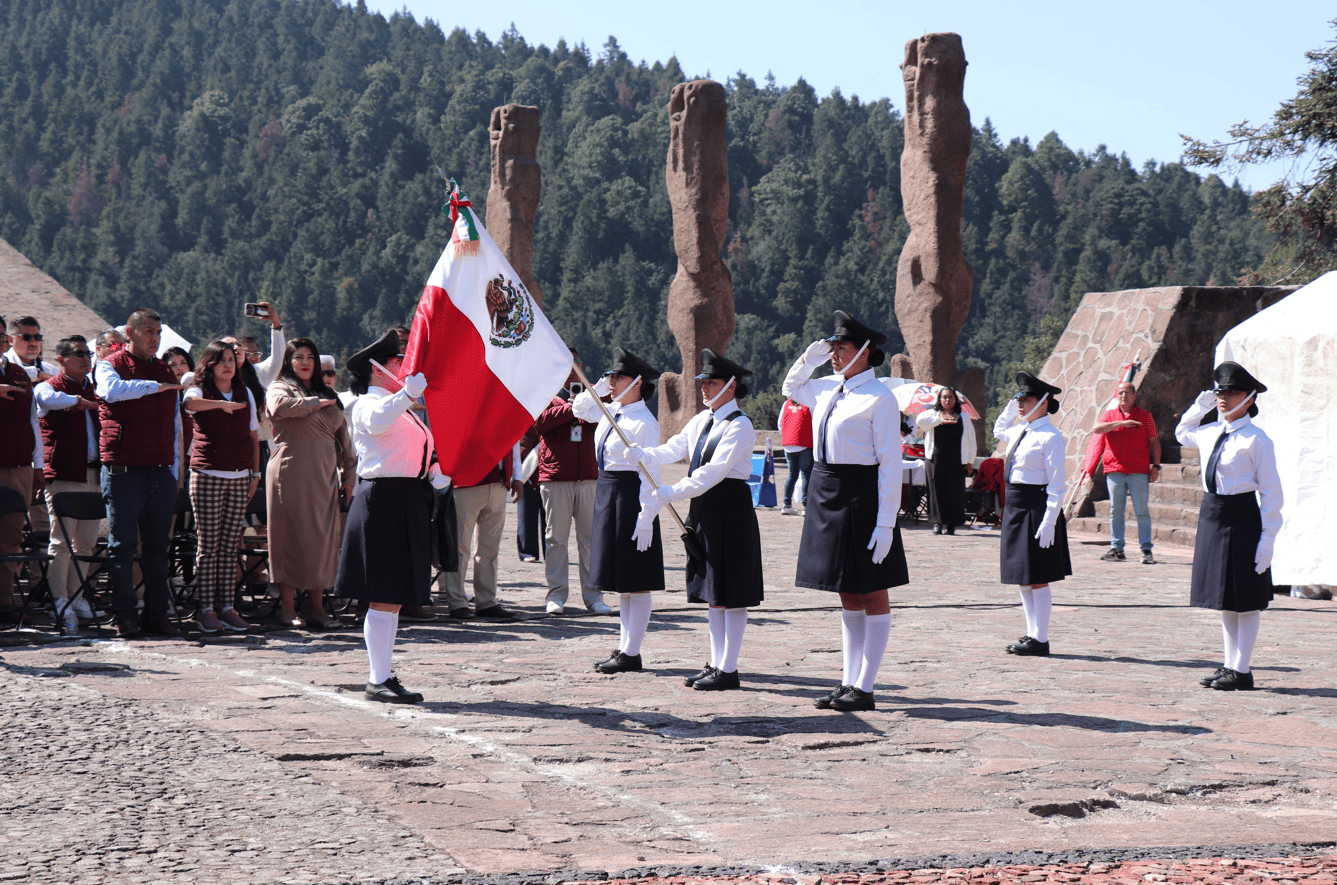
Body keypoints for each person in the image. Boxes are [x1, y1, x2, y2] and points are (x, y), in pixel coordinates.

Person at [783, 311, 908, 712]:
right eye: (833, 348)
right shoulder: (824, 388)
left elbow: (890, 463)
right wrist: (810, 357)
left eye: (842, 348)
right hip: (825, 489)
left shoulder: (880, 398)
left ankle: (865, 687)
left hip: (861, 494)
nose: (835, 354)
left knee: (870, 588)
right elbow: (791, 386)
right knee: (844, 589)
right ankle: (848, 681)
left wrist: (886, 520)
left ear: (865, 353)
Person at [636, 349, 764, 691]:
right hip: (705, 508)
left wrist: (671, 491)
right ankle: (716, 662)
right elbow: (676, 448)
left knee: (731, 589)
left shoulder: (741, 425)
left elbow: (713, 471)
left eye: (712, 382)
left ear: (731, 386)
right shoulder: (702, 420)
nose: (705, 388)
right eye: (703, 383)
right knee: (712, 590)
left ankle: (729, 668)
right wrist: (645, 453)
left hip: (730, 508)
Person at [335, 330, 447, 704]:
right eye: (398, 362)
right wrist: (408, 394)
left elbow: (412, 447)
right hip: (382, 500)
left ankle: (382, 675)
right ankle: (377, 677)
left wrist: (431, 470)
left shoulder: (402, 405)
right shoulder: (368, 403)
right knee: (384, 591)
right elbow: (379, 422)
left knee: (395, 594)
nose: (404, 366)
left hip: (407, 497)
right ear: (377, 370)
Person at [1175, 362, 1283, 692]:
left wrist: (1268, 540)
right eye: (1220, 392)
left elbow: (1272, 493)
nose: (1223, 397)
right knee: (1225, 597)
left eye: (1231, 392)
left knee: (1245, 597)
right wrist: (1199, 407)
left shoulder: (1257, 440)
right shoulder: (1210, 432)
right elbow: (1182, 434)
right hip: (1213, 515)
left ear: (1249, 398)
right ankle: (1229, 664)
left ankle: (1243, 669)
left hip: (1241, 517)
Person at [94, 308, 188, 638]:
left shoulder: (165, 370)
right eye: (148, 331)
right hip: (124, 472)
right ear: (130, 334)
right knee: (122, 546)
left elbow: (176, 424)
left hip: (161, 472)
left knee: (158, 548)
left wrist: (175, 471)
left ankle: (157, 614)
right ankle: (124, 615)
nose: (155, 337)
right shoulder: (109, 365)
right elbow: (109, 392)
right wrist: (155, 386)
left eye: (158, 332)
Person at [571, 348, 664, 674]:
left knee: (636, 578)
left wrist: (647, 517)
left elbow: (650, 475)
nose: (612, 382)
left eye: (618, 377)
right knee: (623, 580)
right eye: (611, 376)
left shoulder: (643, 423)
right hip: (608, 495)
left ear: (638, 382)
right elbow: (579, 406)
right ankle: (626, 649)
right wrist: (601, 384)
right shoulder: (612, 412)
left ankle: (632, 651)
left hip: (630, 498)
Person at [266, 338, 355, 629]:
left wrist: (350, 478)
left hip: (326, 475)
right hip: (290, 470)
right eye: (298, 357)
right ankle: (289, 609)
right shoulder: (280, 387)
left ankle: (317, 608)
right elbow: (279, 407)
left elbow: (345, 442)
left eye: (310, 357)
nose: (305, 362)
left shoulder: (327, 391)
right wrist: (316, 403)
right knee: (289, 536)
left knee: (323, 541)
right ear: (289, 362)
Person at [993, 371, 1072, 657]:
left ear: (1043, 402)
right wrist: (1010, 405)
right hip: (1015, 506)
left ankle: (1041, 637)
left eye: (1026, 400)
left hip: (1036, 507)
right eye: (1019, 399)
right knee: (1022, 576)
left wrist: (1050, 519)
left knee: (1037, 575)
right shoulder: (1019, 430)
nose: (1020, 405)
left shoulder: (1051, 437)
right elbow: (998, 428)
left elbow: (1057, 483)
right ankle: (1030, 633)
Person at [183, 341, 259, 634]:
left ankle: (227, 607)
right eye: (222, 360)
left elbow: (253, 436)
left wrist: (254, 473)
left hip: (240, 475)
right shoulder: (199, 388)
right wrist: (220, 405)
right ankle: (205, 609)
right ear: (210, 364)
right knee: (208, 545)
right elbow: (188, 404)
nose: (229, 364)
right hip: (207, 473)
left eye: (232, 359)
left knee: (230, 546)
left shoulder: (246, 392)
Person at [35, 337, 103, 631]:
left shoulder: (97, 388)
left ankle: (77, 596)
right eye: (78, 354)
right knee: (61, 542)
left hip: (95, 473)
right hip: (64, 474)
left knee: (87, 541)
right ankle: (59, 599)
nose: (85, 359)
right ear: (61, 359)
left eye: (87, 354)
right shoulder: (48, 386)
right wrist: (79, 402)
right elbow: (45, 401)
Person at [533, 349, 607, 615]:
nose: (570, 369)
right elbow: (539, 423)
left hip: (588, 476)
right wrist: (572, 407)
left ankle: (594, 596)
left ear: (581, 365)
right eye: (564, 364)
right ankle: (556, 596)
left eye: (574, 363)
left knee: (590, 541)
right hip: (556, 478)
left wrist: (588, 403)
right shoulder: (545, 394)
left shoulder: (594, 396)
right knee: (556, 540)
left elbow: (604, 422)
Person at [437, 446, 521, 620]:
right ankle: (457, 602)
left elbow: (515, 439)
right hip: (466, 481)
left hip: (498, 481)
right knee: (460, 546)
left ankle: (487, 601)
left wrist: (517, 476)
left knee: (490, 548)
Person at [1092, 381, 1162, 564]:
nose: (1123, 396)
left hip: (1138, 470)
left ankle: (1146, 549)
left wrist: (1156, 466)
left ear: (1134, 394)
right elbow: (1097, 428)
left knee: (1141, 510)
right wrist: (1121, 423)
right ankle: (1117, 548)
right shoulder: (1109, 415)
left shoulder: (1146, 416)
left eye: (1127, 392)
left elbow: (1154, 441)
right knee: (1116, 510)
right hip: (1115, 469)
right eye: (1120, 393)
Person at [0, 322, 42, 618]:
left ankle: (5, 601)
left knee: (11, 537)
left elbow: (33, 421)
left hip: (20, 465)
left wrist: (37, 465)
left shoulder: (18, 374)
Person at [916, 386, 977, 535]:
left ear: (955, 400)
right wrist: (940, 419)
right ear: (940, 399)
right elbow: (920, 421)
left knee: (955, 492)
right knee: (936, 491)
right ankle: (937, 523)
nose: (947, 400)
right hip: (935, 459)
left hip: (957, 460)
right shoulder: (932, 414)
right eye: (944, 397)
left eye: (950, 397)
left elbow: (971, 440)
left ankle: (951, 524)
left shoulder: (964, 418)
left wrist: (970, 461)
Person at [778, 398, 813, 516]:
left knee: (792, 475)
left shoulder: (786, 403)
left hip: (788, 444)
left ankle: (786, 505)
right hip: (804, 443)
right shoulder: (809, 402)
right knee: (805, 475)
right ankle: (806, 506)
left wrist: (787, 437)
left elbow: (780, 423)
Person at [5, 315, 58, 381]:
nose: (33, 343)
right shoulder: (2, 367)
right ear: (10, 340)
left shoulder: (52, 371)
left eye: (37, 338)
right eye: (27, 337)